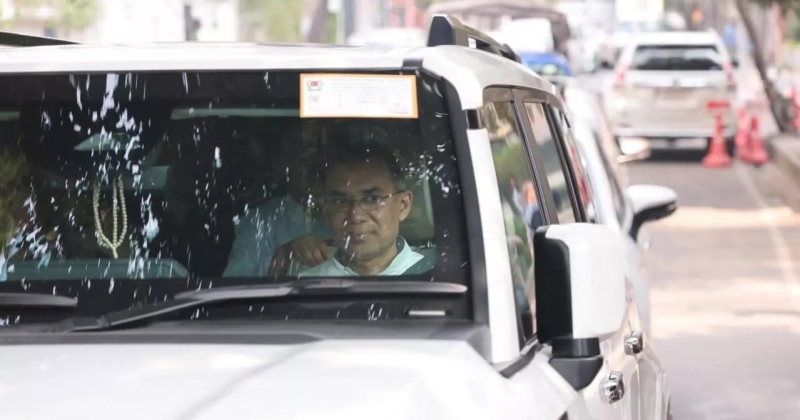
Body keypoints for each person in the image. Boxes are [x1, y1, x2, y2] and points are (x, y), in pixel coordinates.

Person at [299, 144, 422, 277]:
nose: (356, 216)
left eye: (372, 199)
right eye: (341, 201)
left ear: (403, 205)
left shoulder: (431, 278)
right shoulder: (307, 283)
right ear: (326, 211)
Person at [223, 128, 332, 277]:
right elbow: (234, 281)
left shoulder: (350, 214)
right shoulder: (258, 221)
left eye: (320, 158)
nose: (315, 167)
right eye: (304, 158)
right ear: (282, 165)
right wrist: (284, 255)